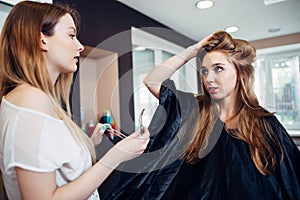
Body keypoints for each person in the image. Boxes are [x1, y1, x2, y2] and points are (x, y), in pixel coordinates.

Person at [102, 31, 300, 199]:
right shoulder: (194, 109)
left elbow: (290, 181)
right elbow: (152, 81)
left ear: (240, 74)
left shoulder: (264, 123)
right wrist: (194, 49)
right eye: (204, 71)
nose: (209, 79)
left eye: (218, 69)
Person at [0, 1, 149, 200]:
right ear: (42, 39)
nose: (79, 46)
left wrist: (87, 144)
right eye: (71, 35)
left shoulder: (34, 99)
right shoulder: (31, 99)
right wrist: (118, 155)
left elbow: (52, 164)